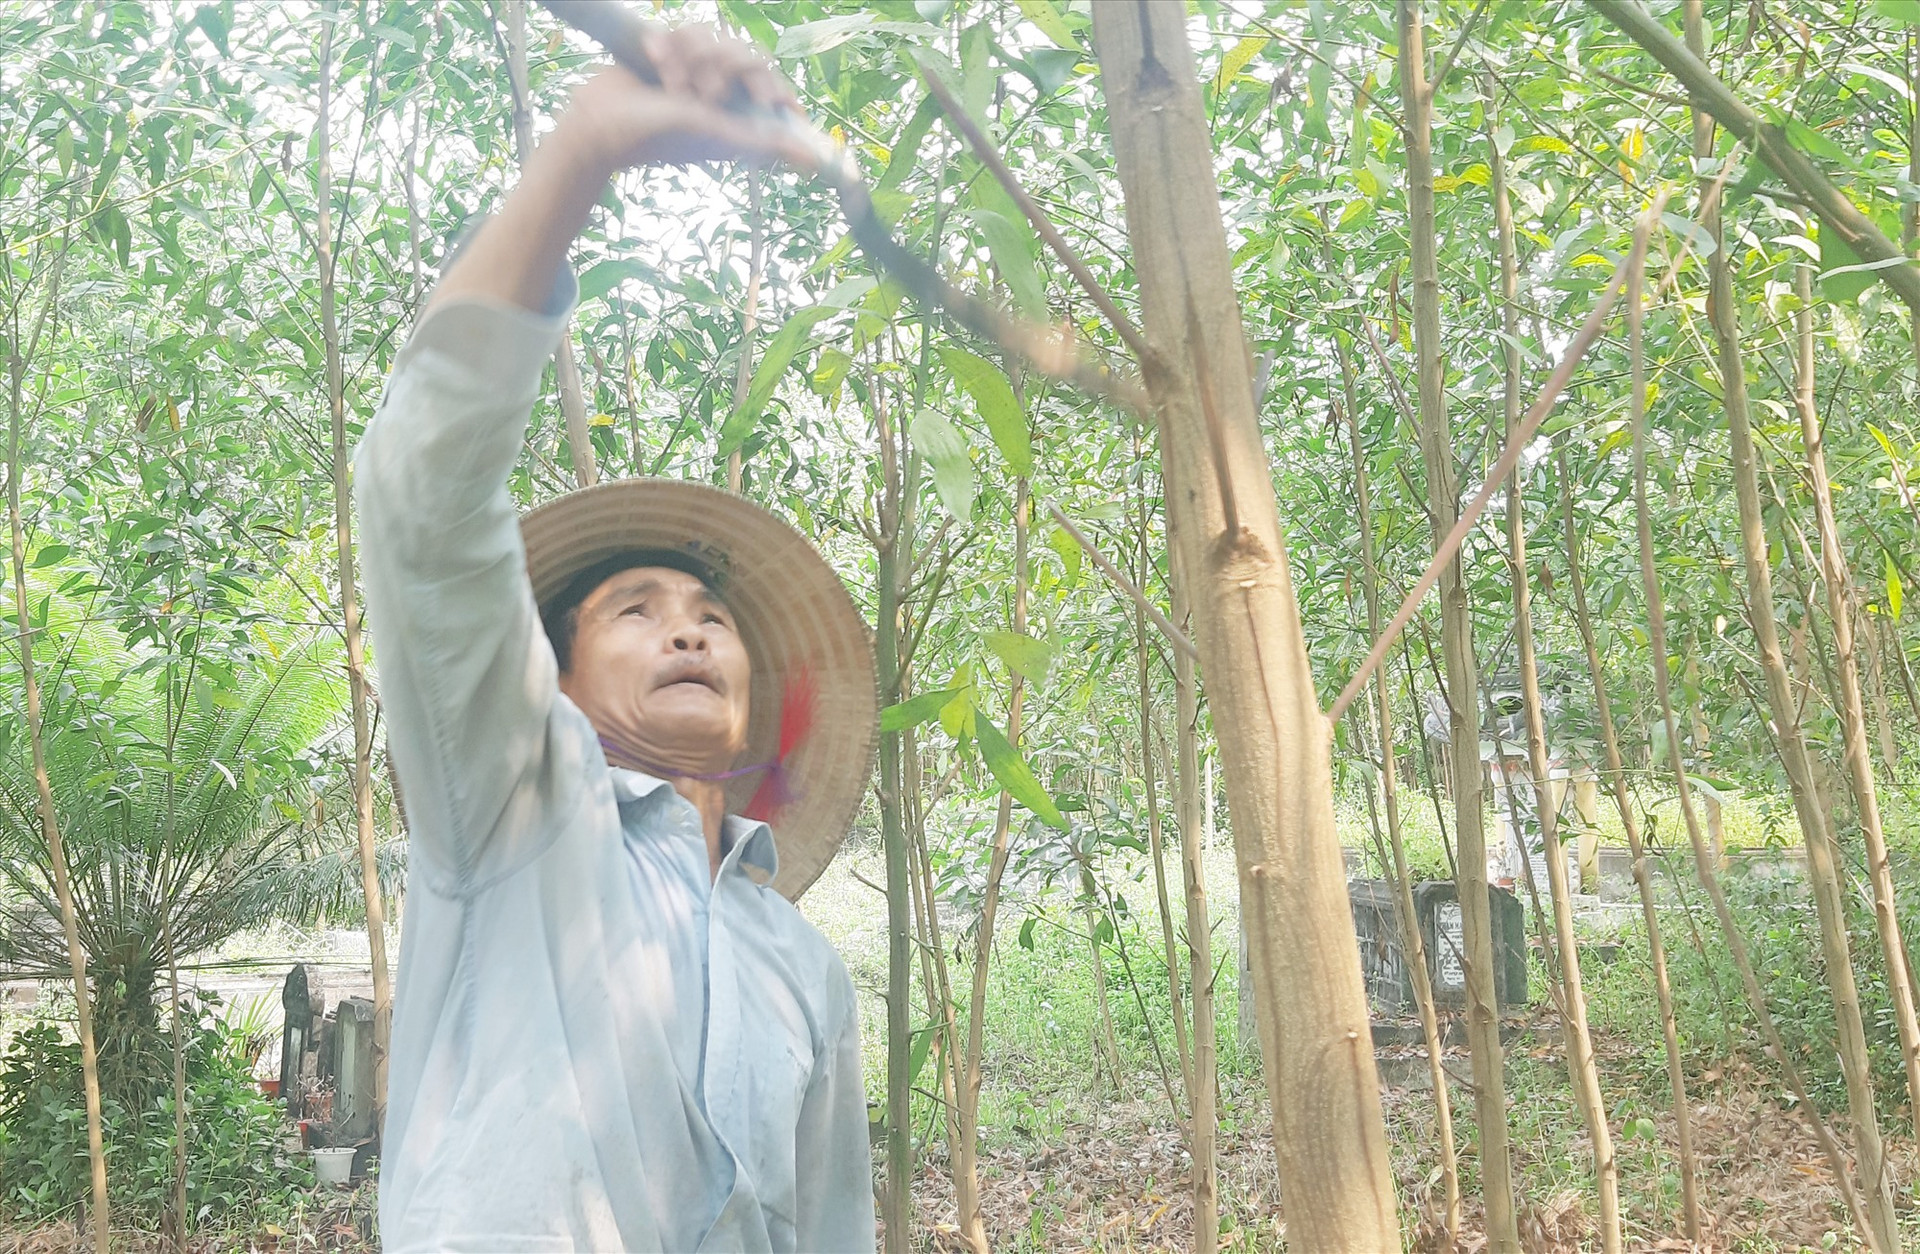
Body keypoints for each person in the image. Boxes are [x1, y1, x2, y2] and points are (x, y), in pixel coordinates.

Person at [355, 25, 878, 1252]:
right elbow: (423, 497)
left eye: (710, 619)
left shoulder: (801, 967)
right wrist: (581, 154)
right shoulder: (518, 817)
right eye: (634, 612)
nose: (687, 634)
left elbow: (830, 1227)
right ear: (561, 678)